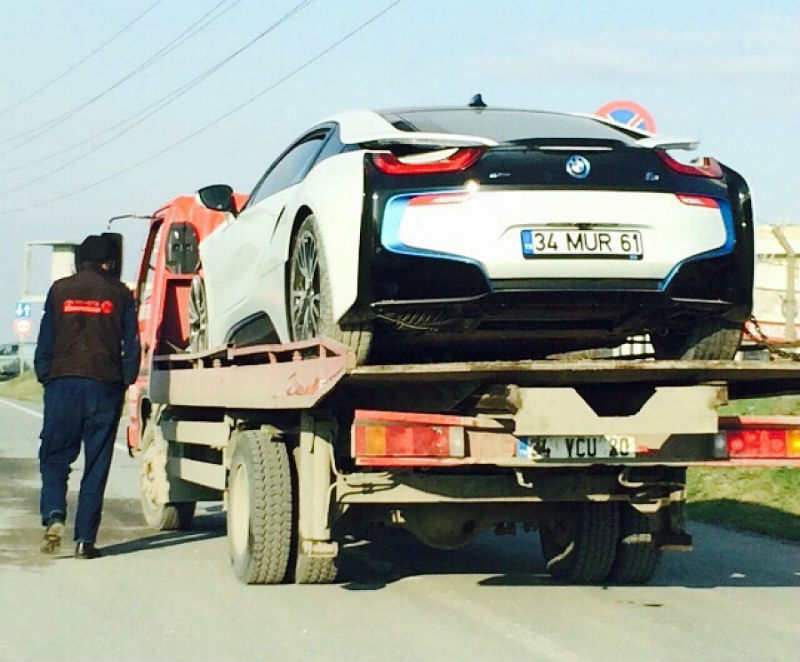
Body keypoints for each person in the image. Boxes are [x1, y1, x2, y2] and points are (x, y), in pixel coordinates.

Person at [34, 234, 141, 559]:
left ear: (80, 261)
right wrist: (125, 380)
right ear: (108, 263)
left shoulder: (59, 291)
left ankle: (54, 514)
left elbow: (46, 339)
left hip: (63, 384)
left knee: (54, 458)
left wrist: (45, 376)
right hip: (104, 386)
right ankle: (85, 540)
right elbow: (132, 345)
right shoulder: (120, 294)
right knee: (96, 465)